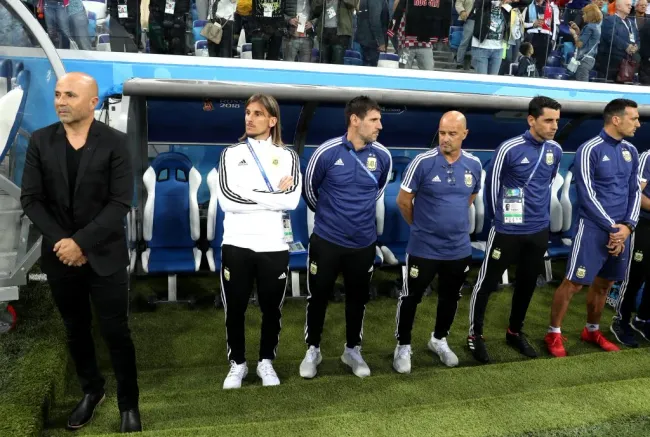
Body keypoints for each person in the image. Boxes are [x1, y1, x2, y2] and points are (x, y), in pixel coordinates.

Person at [20, 73, 141, 433]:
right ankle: (92, 390)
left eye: (70, 95)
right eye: (58, 94)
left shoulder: (116, 142)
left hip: (105, 255)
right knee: (75, 329)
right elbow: (31, 199)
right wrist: (66, 244)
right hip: (60, 256)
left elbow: (120, 202)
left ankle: (128, 403)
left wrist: (82, 244)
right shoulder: (41, 141)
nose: (60, 101)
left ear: (92, 103)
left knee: (115, 331)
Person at [301, 96, 392, 379]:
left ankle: (352, 349)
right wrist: (334, 217)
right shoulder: (326, 152)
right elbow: (310, 192)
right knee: (318, 297)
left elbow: (376, 192)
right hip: (326, 241)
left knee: (358, 299)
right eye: (374, 120)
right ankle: (313, 349)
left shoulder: (383, 157)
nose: (380, 125)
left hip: (363, 244)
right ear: (355, 120)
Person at [467, 95, 563, 364]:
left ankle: (514, 331)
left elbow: (548, 183)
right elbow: (492, 187)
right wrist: (500, 223)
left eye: (557, 120)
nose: (554, 126)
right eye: (548, 120)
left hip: (538, 230)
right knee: (487, 282)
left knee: (527, 283)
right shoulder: (509, 148)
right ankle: (475, 336)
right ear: (531, 120)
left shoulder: (554, 150)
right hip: (507, 229)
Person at [215, 94, 302, 389]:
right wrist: (273, 198)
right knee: (235, 308)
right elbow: (227, 200)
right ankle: (237, 364)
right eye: (248, 113)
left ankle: (266, 362)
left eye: (258, 114)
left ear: (272, 120)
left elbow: (291, 201)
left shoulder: (288, 156)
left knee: (271, 309)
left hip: (274, 245)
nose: (249, 118)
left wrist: (249, 192)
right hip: (236, 243)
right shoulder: (229, 153)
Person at [546, 98, 641, 357]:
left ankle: (592, 329)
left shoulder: (631, 151)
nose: (638, 124)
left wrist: (628, 227)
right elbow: (587, 195)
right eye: (634, 118)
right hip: (594, 230)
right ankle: (553, 333)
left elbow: (634, 192)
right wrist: (614, 228)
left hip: (623, 232)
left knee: (604, 285)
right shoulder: (590, 149)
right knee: (574, 283)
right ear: (616, 119)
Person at [393, 111, 482, 373]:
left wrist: (450, 223)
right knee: (411, 296)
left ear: (464, 134)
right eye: (442, 133)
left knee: (451, 296)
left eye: (452, 134)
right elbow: (403, 201)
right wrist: (421, 227)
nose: (445, 138)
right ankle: (403, 345)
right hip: (423, 247)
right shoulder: (422, 162)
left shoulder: (474, 165)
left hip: (458, 248)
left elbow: (471, 196)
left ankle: (439, 339)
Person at [610, 149, 650, 347]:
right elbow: (636, 194)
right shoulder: (647, 158)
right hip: (643, 224)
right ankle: (621, 320)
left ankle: (642, 319)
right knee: (635, 275)